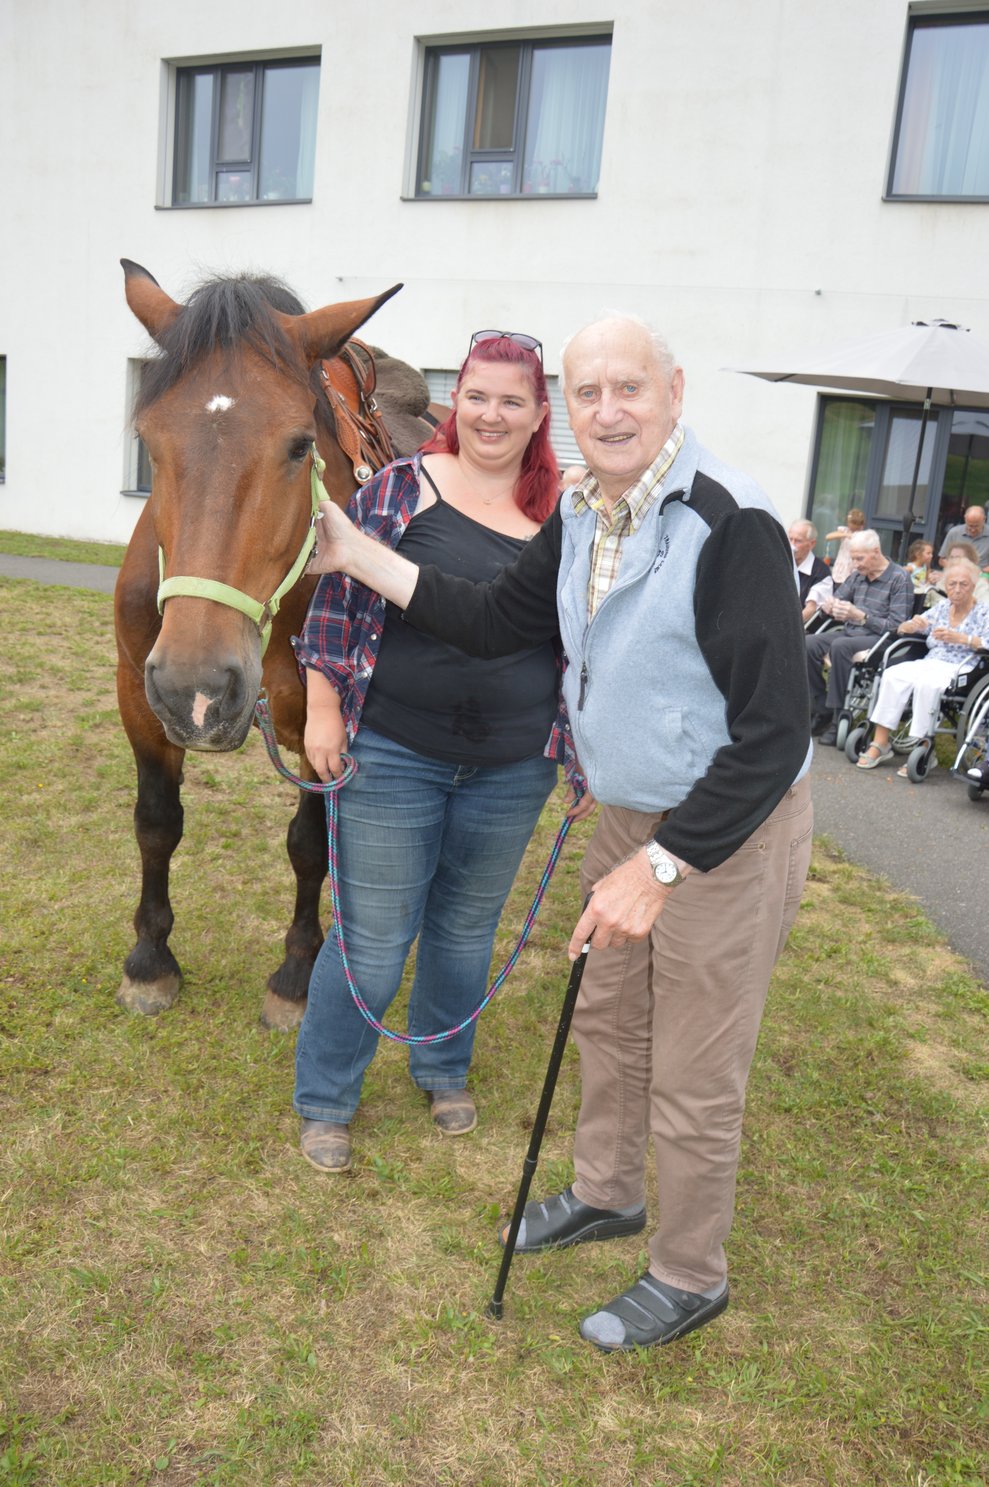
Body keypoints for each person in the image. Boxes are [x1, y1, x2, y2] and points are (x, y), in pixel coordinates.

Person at [306, 314, 813, 1352]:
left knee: (691, 1062)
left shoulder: (731, 522)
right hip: (628, 809)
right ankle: (604, 1191)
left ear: (673, 390)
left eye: (628, 388)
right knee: (609, 1023)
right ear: (565, 413)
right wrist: (355, 552)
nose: (607, 410)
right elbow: (494, 617)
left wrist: (663, 865)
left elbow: (772, 736)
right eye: (587, 393)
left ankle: (685, 1271)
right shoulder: (585, 510)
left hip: (724, 825)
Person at [292, 330, 591, 1175]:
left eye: (512, 400)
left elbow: (587, 643)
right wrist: (322, 707)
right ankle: (326, 1096)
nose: (491, 414)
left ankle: (442, 1065)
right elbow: (336, 603)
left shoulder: (566, 513)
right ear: (451, 402)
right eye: (477, 396)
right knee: (374, 938)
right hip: (393, 749)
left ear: (540, 416)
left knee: (464, 931)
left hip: (514, 762)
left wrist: (582, 750)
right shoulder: (398, 488)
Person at [855, 559, 989, 774]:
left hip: (963, 668)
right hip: (931, 661)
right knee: (892, 675)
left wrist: (963, 639)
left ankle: (923, 745)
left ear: (973, 586)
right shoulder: (942, 607)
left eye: (963, 584)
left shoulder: (984, 611)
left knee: (927, 684)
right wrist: (911, 625)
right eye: (952, 583)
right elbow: (912, 627)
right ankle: (881, 743)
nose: (956, 589)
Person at [805, 530, 913, 744]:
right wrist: (830, 605)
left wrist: (862, 617)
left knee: (840, 646)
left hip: (881, 639)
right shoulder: (858, 576)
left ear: (875, 552)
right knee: (807, 643)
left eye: (859, 558)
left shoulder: (899, 578)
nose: (855, 564)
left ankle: (839, 717)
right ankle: (821, 705)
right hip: (851, 632)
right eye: (853, 558)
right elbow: (837, 599)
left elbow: (897, 625)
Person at [789, 518, 832, 620]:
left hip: (802, 629)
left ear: (812, 544)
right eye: (790, 539)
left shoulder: (821, 572)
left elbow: (810, 609)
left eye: (798, 541)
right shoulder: (784, 563)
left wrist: (788, 629)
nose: (792, 545)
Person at [934, 538, 989, 604]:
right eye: (951, 558)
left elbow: (985, 607)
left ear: (970, 561)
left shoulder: (980, 584)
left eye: (957, 558)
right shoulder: (943, 581)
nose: (953, 561)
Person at [825, 507, 866, 584]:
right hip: (842, 562)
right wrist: (845, 535)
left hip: (853, 565)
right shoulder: (845, 531)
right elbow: (828, 537)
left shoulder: (862, 535)